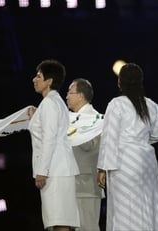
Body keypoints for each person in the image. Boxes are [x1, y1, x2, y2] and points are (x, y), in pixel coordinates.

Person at [96, 63, 158, 231]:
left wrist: (102, 168)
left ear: (121, 82)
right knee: (148, 205)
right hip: (147, 161)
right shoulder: (151, 105)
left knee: (125, 209)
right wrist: (142, 142)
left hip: (125, 162)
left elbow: (109, 137)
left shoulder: (116, 104)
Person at [27, 59, 80, 231]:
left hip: (55, 170)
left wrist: (42, 171)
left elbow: (49, 138)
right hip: (59, 168)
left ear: (49, 81)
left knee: (59, 220)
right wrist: (36, 116)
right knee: (60, 220)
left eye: (38, 76)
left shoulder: (50, 103)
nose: (34, 79)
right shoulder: (54, 102)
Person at [66, 78, 104, 231]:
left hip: (87, 185)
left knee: (88, 228)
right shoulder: (73, 118)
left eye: (70, 92)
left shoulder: (94, 118)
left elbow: (88, 145)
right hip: (72, 184)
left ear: (80, 96)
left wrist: (69, 127)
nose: (67, 96)